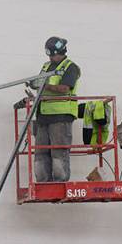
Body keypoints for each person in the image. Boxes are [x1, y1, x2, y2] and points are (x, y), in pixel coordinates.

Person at [30, 36, 81, 182]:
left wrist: (44, 86)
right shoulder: (46, 67)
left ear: (61, 52)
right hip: (43, 115)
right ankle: (43, 181)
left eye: (53, 54)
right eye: (49, 55)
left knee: (58, 150)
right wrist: (35, 85)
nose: (51, 58)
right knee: (41, 151)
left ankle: (60, 181)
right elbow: (40, 84)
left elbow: (64, 88)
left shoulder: (70, 67)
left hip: (61, 116)